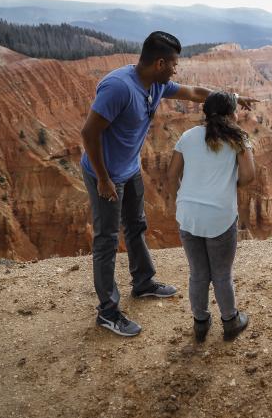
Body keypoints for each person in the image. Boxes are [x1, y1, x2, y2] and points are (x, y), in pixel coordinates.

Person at [80, 31, 257, 337]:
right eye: (174, 63)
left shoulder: (157, 83)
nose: (177, 69)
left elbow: (193, 92)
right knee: (107, 240)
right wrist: (104, 179)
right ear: (160, 62)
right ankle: (107, 312)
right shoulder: (119, 88)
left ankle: (143, 282)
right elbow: (88, 133)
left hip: (130, 169)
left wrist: (234, 100)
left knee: (136, 226)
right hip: (105, 175)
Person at [166, 91, 254, 342]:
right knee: (222, 274)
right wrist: (227, 185)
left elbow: (172, 176)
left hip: (188, 215)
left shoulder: (187, 136)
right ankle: (230, 322)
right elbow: (249, 176)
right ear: (230, 113)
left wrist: (179, 203)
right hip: (220, 216)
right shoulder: (238, 139)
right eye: (236, 109)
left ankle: (201, 324)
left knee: (198, 273)